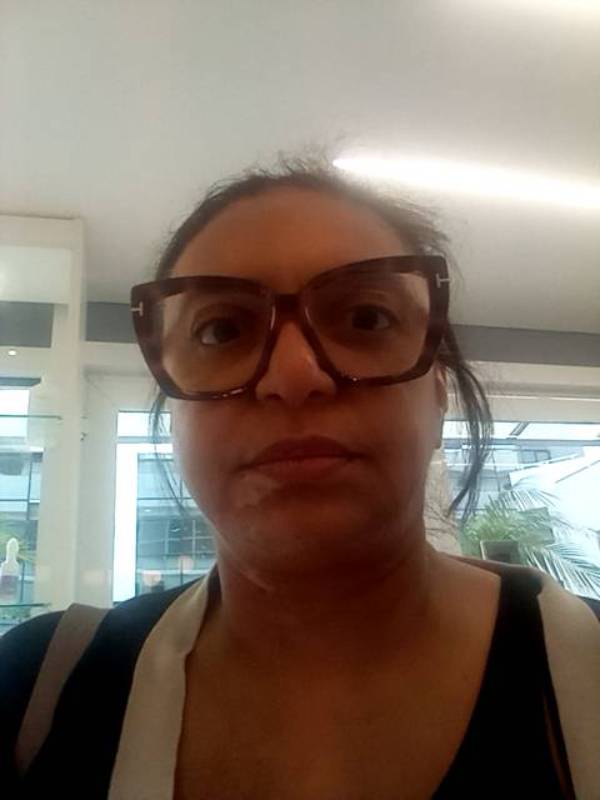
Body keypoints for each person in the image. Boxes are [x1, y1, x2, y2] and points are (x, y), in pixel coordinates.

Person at [1, 157, 598, 800]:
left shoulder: (586, 668)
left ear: (438, 393)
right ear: (173, 413)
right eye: (222, 329)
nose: (292, 375)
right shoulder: (34, 687)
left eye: (366, 318)